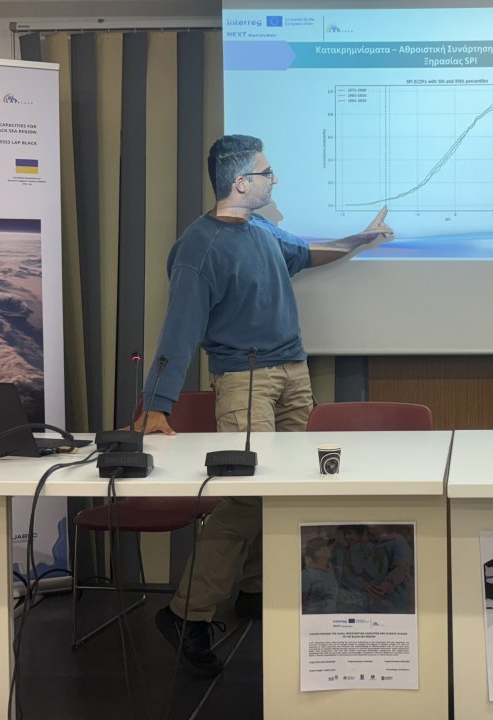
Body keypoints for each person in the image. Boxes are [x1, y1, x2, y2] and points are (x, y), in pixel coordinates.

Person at [140, 134, 393, 676]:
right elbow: (179, 328)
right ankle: (186, 614)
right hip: (244, 381)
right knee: (246, 499)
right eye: (266, 171)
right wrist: (156, 403)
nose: (274, 179)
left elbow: (306, 254)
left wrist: (362, 237)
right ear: (240, 182)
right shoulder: (199, 248)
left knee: (292, 489)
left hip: (293, 373)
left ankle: (256, 592)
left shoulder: (261, 229)